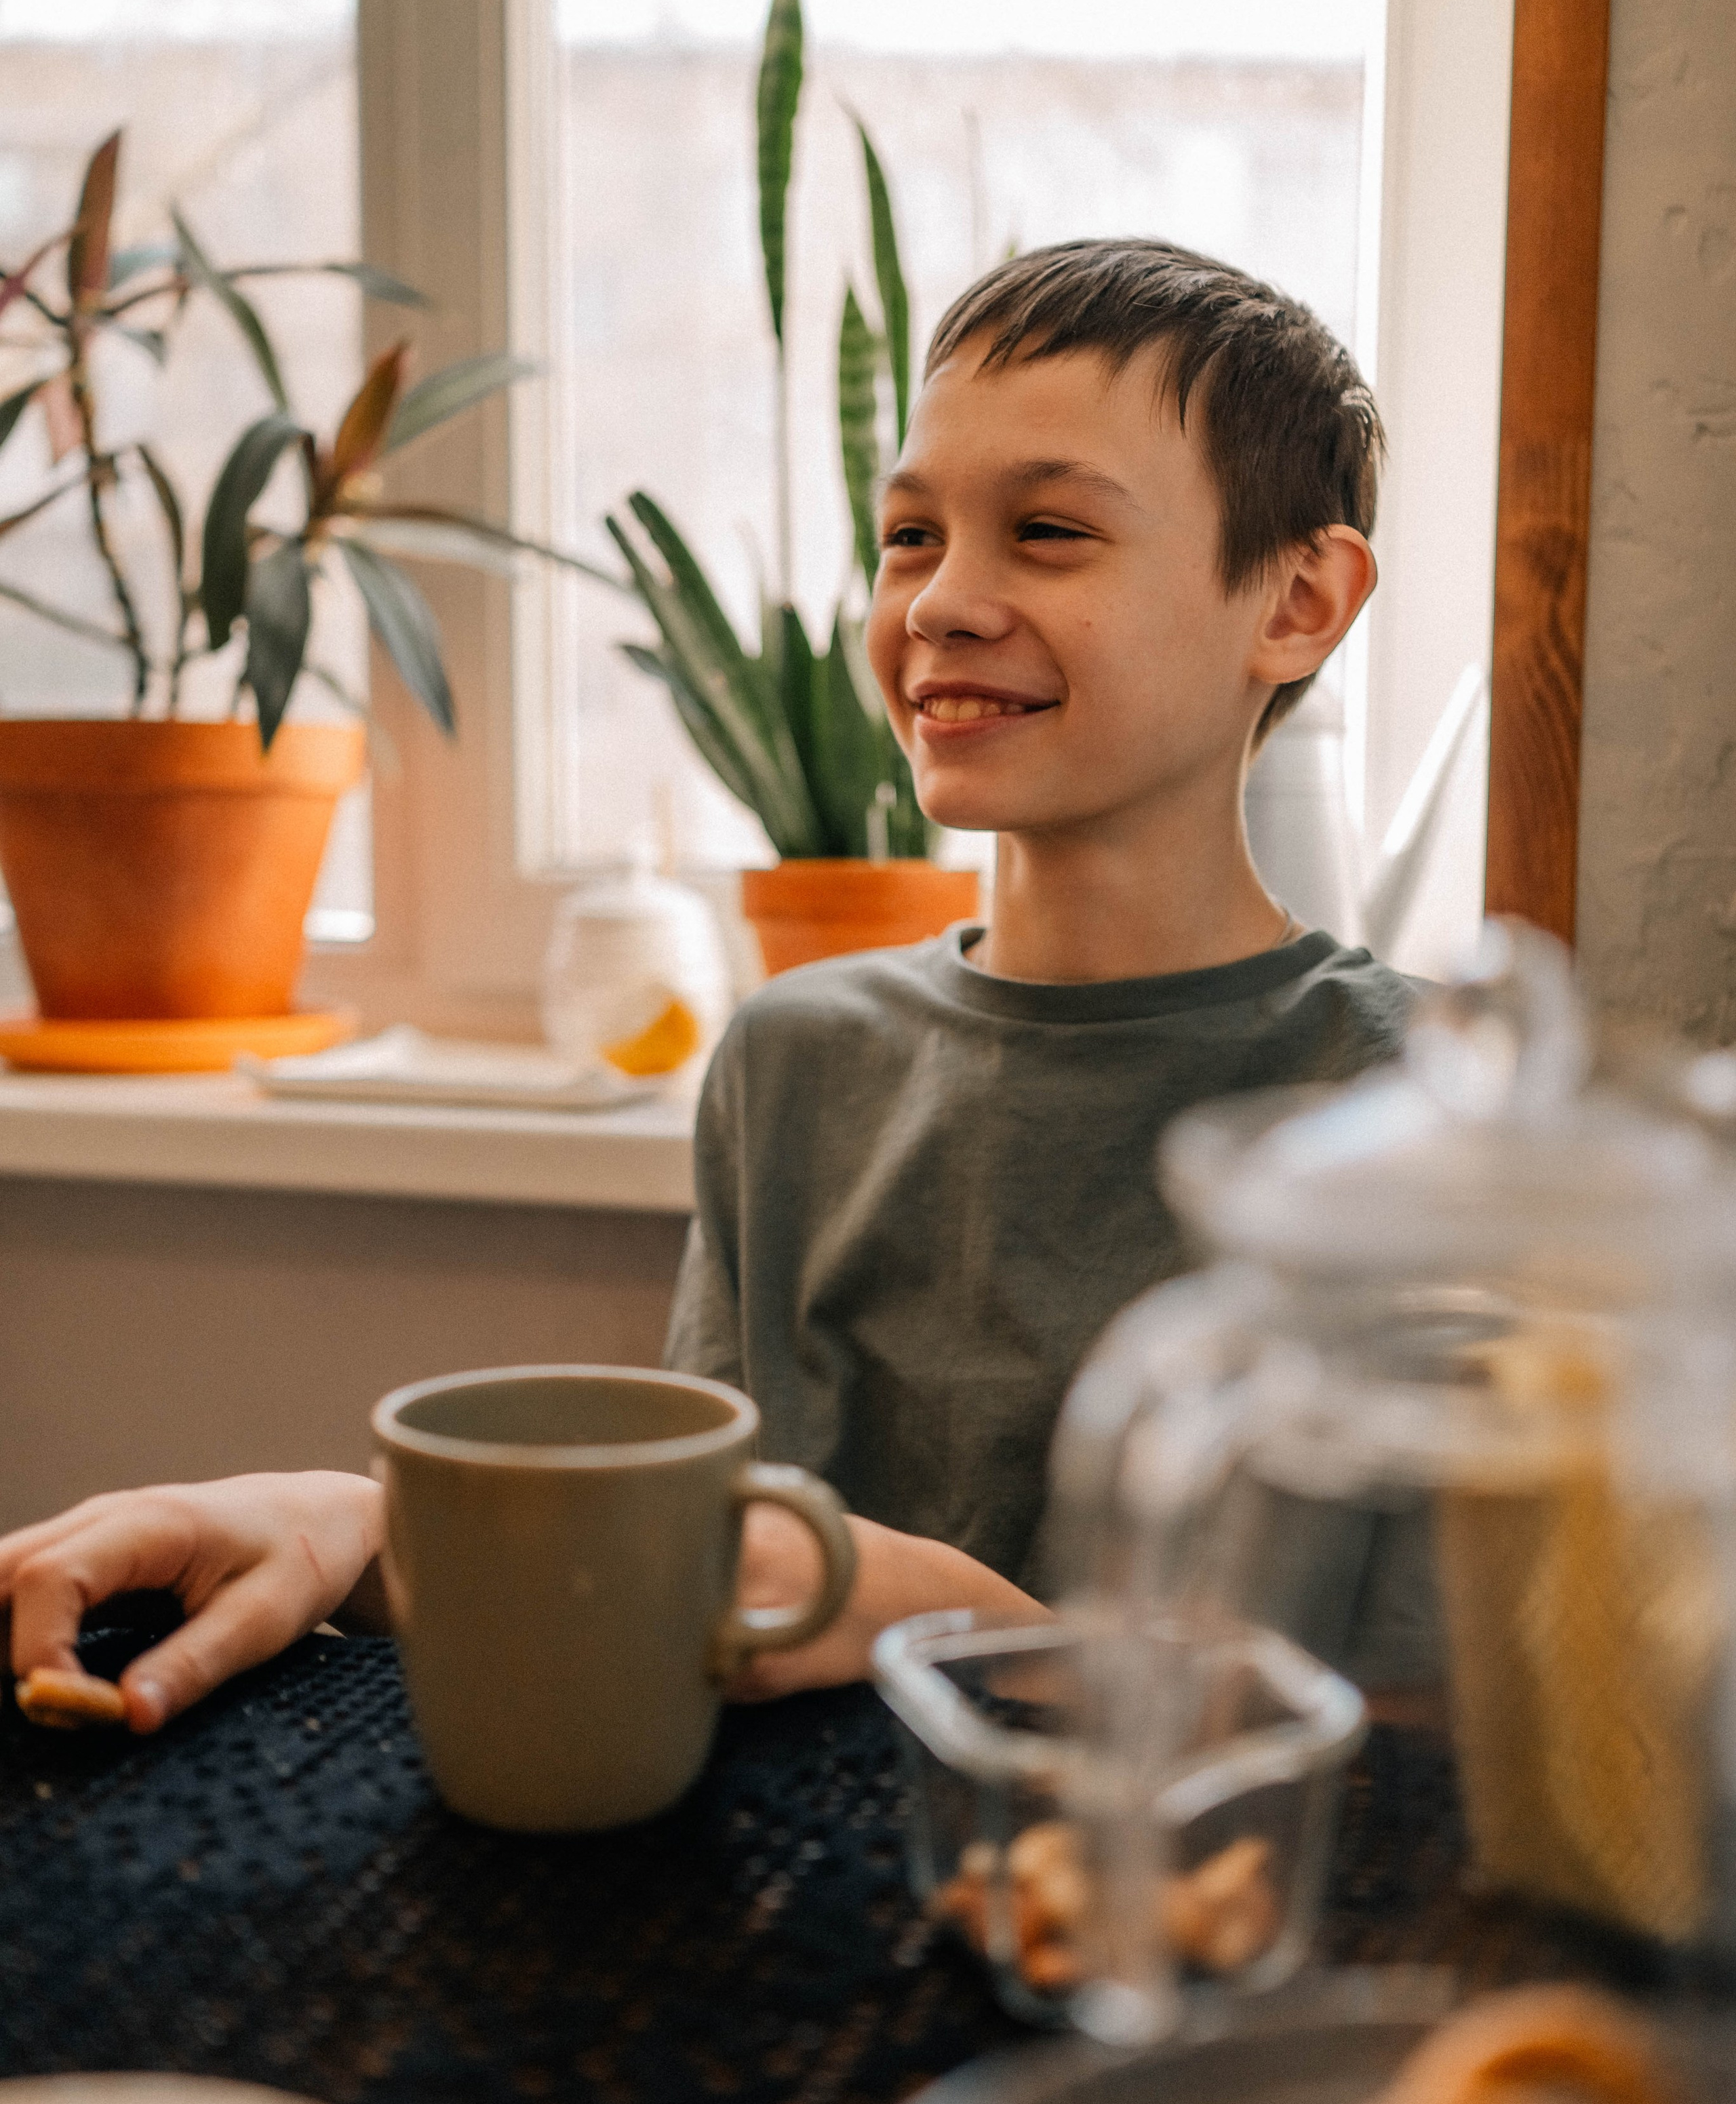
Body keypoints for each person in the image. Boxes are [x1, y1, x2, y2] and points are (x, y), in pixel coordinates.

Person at [0, 237, 1410, 1730]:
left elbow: (1433, 1767)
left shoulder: (1412, 1113)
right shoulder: (794, 1055)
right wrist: (339, 1524)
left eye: (1048, 531)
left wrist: (971, 1628)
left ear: (1298, 601)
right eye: (910, 535)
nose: (938, 603)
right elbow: (686, 1577)